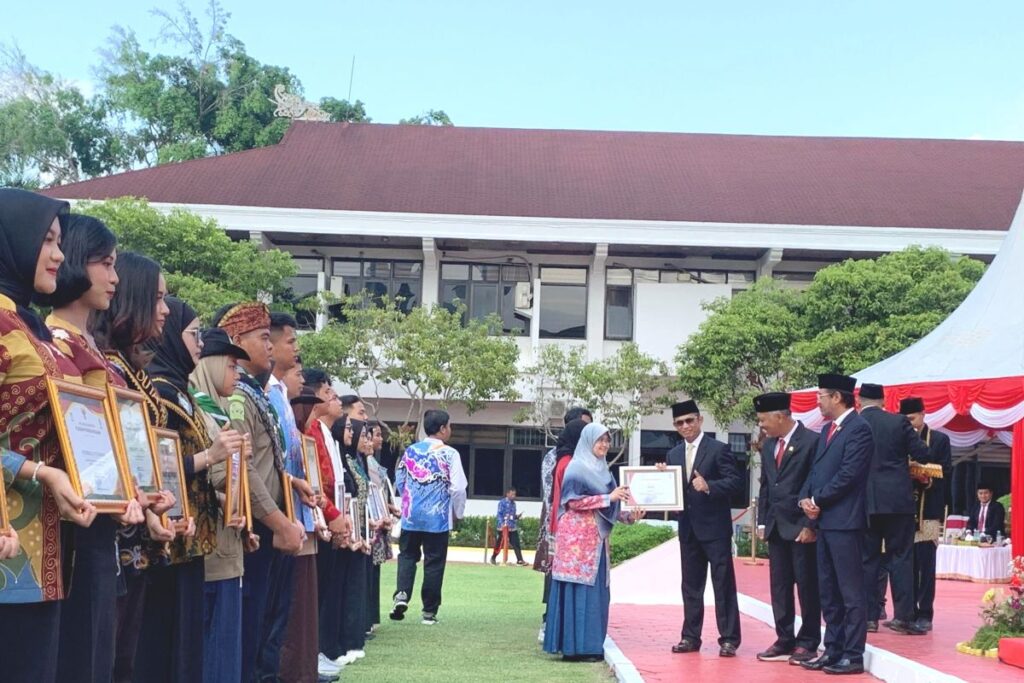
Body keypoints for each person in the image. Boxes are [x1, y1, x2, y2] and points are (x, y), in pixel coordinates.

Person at [42, 214, 149, 683]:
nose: (114, 277)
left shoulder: (93, 349)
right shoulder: (53, 345)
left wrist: (139, 488)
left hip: (109, 523)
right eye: (104, 263)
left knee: (106, 655)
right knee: (84, 656)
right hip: (76, 526)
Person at [0, 188, 101, 683]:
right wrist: (39, 471)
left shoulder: (27, 325)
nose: (60, 254)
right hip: (8, 551)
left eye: (60, 241)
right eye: (47, 239)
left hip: (44, 555)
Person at [136, 297, 244, 683]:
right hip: (167, 536)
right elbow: (153, 470)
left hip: (193, 537)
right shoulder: (160, 393)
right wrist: (210, 456)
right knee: (164, 646)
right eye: (193, 334)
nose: (199, 343)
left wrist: (223, 499)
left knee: (187, 648)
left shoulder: (180, 391)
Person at [92, 250, 177, 683]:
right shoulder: (108, 367)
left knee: (126, 658)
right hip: (115, 534)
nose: (164, 309)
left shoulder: (132, 370)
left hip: (140, 537)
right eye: (158, 298)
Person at [214, 301, 305, 683]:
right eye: (263, 338)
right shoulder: (238, 396)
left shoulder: (255, 393)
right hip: (255, 525)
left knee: (266, 627)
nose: (271, 347)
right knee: (251, 630)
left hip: (269, 522)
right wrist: (279, 520)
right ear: (235, 341)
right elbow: (241, 468)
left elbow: (269, 462)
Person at [543, 422, 643, 661]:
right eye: (600, 440)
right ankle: (572, 648)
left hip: (597, 541)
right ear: (588, 441)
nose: (604, 445)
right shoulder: (576, 468)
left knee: (596, 593)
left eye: (607, 440)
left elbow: (611, 505)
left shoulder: (604, 471)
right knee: (577, 590)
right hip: (576, 542)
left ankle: (590, 646)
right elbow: (572, 502)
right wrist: (608, 496)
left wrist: (630, 516)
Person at [798, 374, 874, 675]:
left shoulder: (860, 429)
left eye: (821, 395)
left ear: (838, 397)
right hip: (825, 521)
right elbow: (816, 470)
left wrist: (817, 499)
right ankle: (832, 649)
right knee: (828, 591)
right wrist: (806, 497)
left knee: (850, 592)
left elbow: (849, 474)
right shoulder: (828, 428)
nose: (818, 401)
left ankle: (853, 654)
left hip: (846, 522)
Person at [190, 328, 253, 683]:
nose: (237, 374)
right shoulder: (198, 408)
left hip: (228, 544)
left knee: (226, 651)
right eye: (231, 366)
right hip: (209, 552)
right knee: (213, 652)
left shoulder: (217, 409)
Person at [265, 313, 319, 683]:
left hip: (289, 511)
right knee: (268, 617)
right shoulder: (263, 392)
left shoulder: (279, 394)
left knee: (281, 613)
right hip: (269, 516)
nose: (295, 350)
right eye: (291, 341)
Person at [665, 400, 742, 657]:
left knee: (723, 585)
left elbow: (734, 483)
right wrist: (662, 481)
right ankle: (690, 637)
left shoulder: (719, 449)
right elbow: (673, 490)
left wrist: (709, 486)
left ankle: (729, 638)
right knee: (690, 586)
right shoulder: (673, 454)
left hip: (715, 530)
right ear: (675, 426)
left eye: (689, 420)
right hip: (688, 530)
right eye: (679, 423)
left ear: (700, 420)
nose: (685, 426)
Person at [858, 383, 932, 636]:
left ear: (860, 401)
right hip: (897, 501)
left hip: (865, 502)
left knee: (867, 560)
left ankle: (869, 617)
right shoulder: (898, 423)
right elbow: (922, 453)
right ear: (883, 400)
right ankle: (903, 617)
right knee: (900, 557)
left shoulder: (853, 424)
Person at [753, 392, 821, 665]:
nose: (761, 426)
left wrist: (810, 524)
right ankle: (784, 638)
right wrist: (761, 521)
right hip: (776, 527)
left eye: (763, 420)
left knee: (807, 587)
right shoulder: (769, 445)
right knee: (779, 587)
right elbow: (767, 485)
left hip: (800, 527)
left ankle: (808, 641)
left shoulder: (812, 442)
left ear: (781, 416)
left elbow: (816, 484)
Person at [391, 409, 468, 625]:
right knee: (433, 563)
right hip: (437, 519)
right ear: (443, 429)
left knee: (407, 556)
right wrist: (457, 512)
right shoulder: (450, 454)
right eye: (449, 426)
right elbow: (458, 488)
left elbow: (400, 479)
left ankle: (402, 594)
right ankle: (429, 612)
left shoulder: (411, 451)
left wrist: (408, 502)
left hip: (411, 516)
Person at [304, 371, 354, 677]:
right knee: (315, 593)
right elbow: (318, 481)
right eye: (329, 393)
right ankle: (314, 651)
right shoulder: (311, 429)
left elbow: (335, 482)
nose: (335, 399)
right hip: (320, 519)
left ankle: (318, 649)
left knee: (323, 591)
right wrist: (331, 516)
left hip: (332, 518)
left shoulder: (325, 432)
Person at [899, 396, 952, 632]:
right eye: (905, 420)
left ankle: (925, 614)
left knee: (925, 565)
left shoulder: (939, 440)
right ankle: (905, 613)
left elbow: (946, 472)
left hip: (928, 512)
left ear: (923, 414)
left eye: (912, 419)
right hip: (902, 512)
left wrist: (925, 478)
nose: (909, 424)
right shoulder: (898, 439)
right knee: (904, 565)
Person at [537, 415, 590, 642]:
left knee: (563, 578)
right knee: (561, 578)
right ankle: (555, 626)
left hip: (563, 525)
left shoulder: (570, 459)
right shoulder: (567, 463)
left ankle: (559, 627)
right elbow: (567, 498)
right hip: (565, 527)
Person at [331, 417, 372, 659]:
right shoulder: (344, 459)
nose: (365, 439)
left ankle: (353, 639)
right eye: (355, 430)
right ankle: (343, 642)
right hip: (346, 530)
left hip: (359, 529)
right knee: (343, 589)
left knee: (356, 587)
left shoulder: (357, 461)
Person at [491, 487, 527, 565]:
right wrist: (502, 523)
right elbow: (499, 514)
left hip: (512, 527)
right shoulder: (502, 502)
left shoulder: (514, 504)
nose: (514, 496)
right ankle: (493, 557)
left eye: (514, 494)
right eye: (512, 494)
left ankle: (520, 560)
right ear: (507, 494)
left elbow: (512, 515)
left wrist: (517, 517)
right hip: (502, 527)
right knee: (499, 543)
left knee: (516, 543)